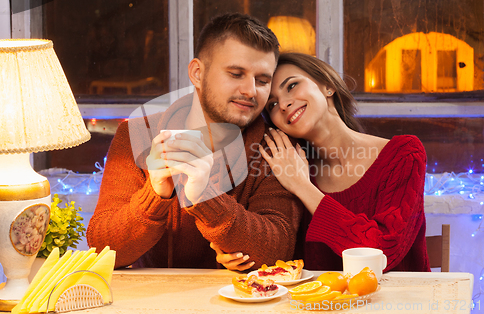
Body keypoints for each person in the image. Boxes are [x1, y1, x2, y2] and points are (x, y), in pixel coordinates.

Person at [87, 14, 303, 269]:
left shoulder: (275, 147)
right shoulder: (137, 134)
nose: (250, 90)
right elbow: (102, 250)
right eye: (236, 74)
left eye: (263, 80)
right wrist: (155, 194)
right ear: (198, 73)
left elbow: (277, 254)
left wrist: (206, 197)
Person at [212, 52, 430, 272]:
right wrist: (236, 249)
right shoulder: (286, 167)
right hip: (318, 304)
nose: (284, 104)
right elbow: (277, 248)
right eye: (272, 105)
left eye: (292, 86)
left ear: (328, 85)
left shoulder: (403, 155)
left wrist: (302, 186)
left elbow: (382, 254)